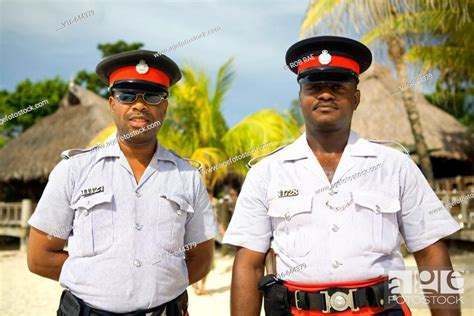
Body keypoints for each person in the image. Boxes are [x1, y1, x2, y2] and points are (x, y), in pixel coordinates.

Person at [223, 36, 461, 316]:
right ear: (301, 97)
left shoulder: (395, 166)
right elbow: (248, 263)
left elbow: (432, 252)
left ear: (356, 97)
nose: (325, 94)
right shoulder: (267, 172)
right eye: (313, 86)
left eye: (337, 86)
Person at [27, 50, 218, 315]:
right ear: (112, 104)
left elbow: (201, 259)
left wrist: (155, 285)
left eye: (152, 95)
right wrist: (100, 281)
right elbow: (39, 257)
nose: (139, 105)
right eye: (127, 95)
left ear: (164, 106)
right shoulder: (73, 170)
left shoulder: (187, 176)